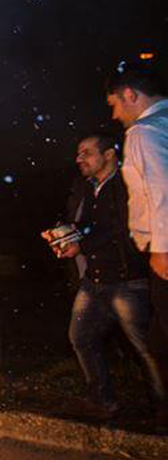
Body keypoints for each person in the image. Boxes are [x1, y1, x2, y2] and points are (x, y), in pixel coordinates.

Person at [42, 134, 159, 418]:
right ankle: (101, 400)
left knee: (147, 348)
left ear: (109, 155)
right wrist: (64, 234)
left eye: (87, 153)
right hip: (94, 280)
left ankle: (163, 407)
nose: (79, 158)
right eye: (78, 153)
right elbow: (87, 225)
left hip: (128, 281)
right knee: (81, 337)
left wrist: (82, 244)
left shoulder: (127, 185)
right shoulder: (86, 187)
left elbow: (121, 229)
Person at [106, 64, 168, 425]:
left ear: (131, 95)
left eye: (115, 103)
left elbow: (160, 189)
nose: (115, 113)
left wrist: (161, 247)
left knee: (161, 342)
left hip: (164, 250)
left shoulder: (143, 133)